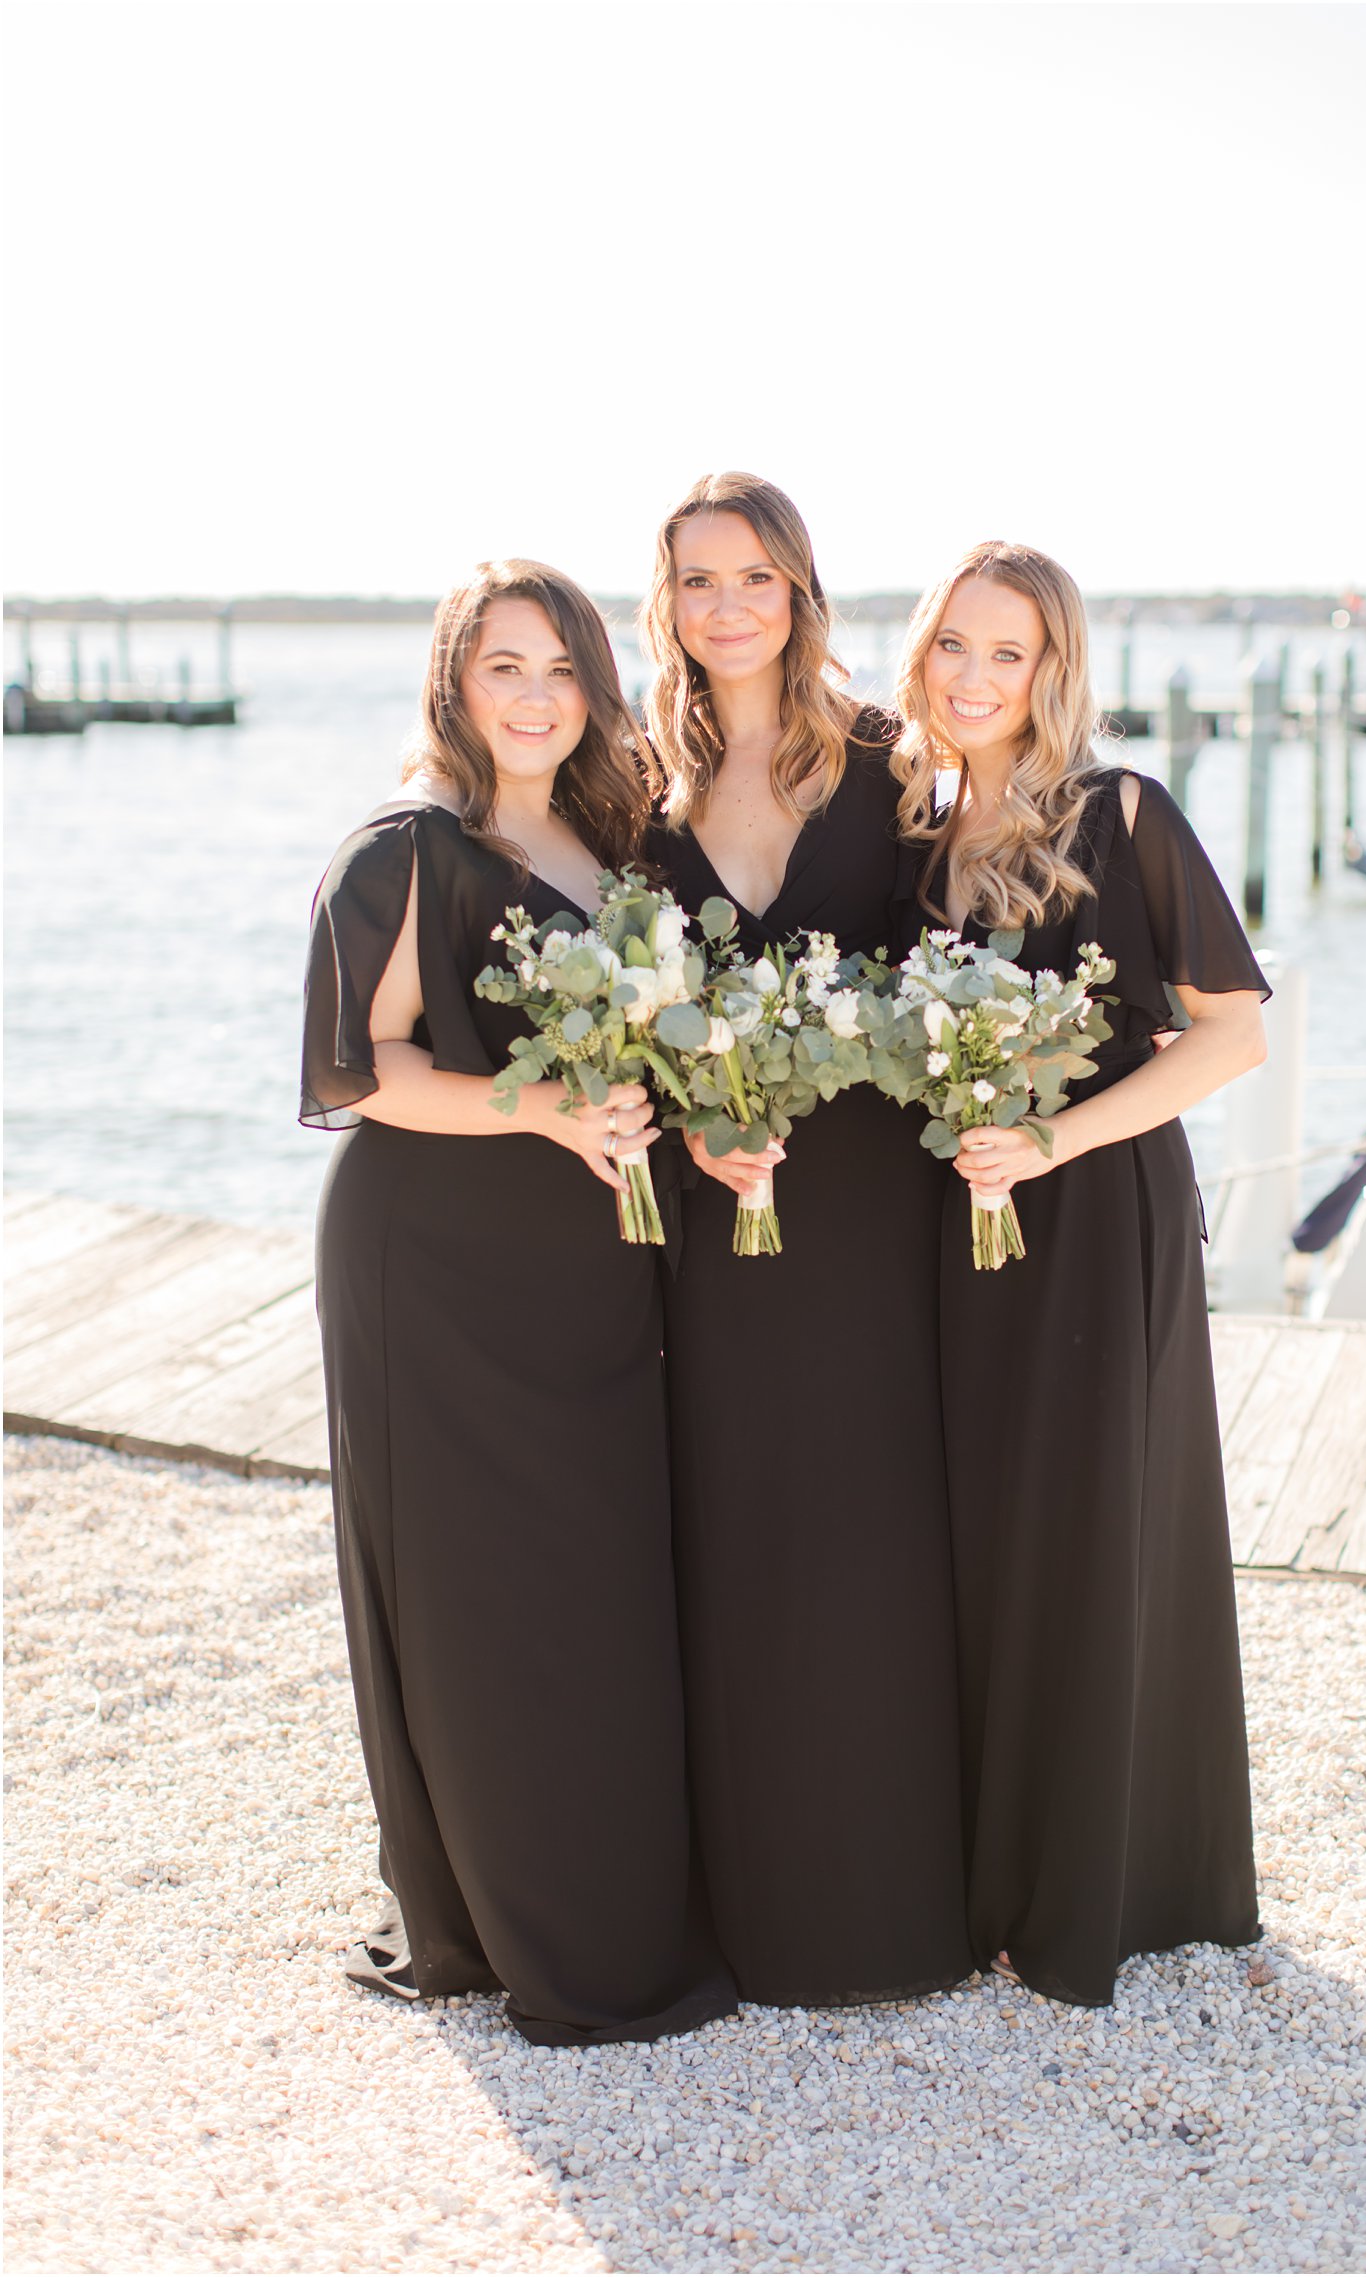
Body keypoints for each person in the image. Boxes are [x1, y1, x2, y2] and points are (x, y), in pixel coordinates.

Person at [300, 558, 737, 2046]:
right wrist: (548, 1110)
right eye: (504, 666)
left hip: (596, 1250)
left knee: (600, 1562)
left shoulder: (618, 846)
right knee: (477, 1577)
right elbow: (369, 1071)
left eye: (561, 667)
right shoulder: (403, 849)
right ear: (454, 681)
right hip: (436, 1255)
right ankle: (505, 1924)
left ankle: (617, 1884)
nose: (537, 696)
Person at [892, 540, 1267, 2007]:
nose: (978, 678)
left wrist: (1052, 1139)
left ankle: (1095, 1890)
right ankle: (979, 1868)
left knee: (1087, 1527)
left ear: (1054, 671)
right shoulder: (911, 836)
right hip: (949, 1227)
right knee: (973, 1534)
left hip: (1095, 1215)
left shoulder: (1121, 815)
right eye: (954, 648)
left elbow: (1231, 1032)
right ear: (921, 655)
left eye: (1012, 653)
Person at [642, 472, 973, 2006]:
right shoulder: (636, 783)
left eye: (754, 576)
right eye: (699, 579)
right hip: (720, 1218)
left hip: (870, 1212)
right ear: (669, 602)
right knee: (735, 1520)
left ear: (800, 591)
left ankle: (893, 1898)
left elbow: (968, 953)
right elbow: (623, 1007)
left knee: (875, 1526)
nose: (728, 606)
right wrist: (697, 1126)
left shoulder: (895, 764)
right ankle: (749, 1892)